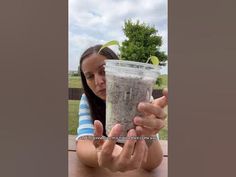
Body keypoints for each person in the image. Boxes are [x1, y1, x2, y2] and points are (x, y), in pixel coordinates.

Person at [76, 44, 168, 172]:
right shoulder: (87, 101)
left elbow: (152, 163)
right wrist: (101, 154)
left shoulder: (142, 100)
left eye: (103, 71)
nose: (98, 81)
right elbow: (84, 144)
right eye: (90, 76)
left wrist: (148, 134)